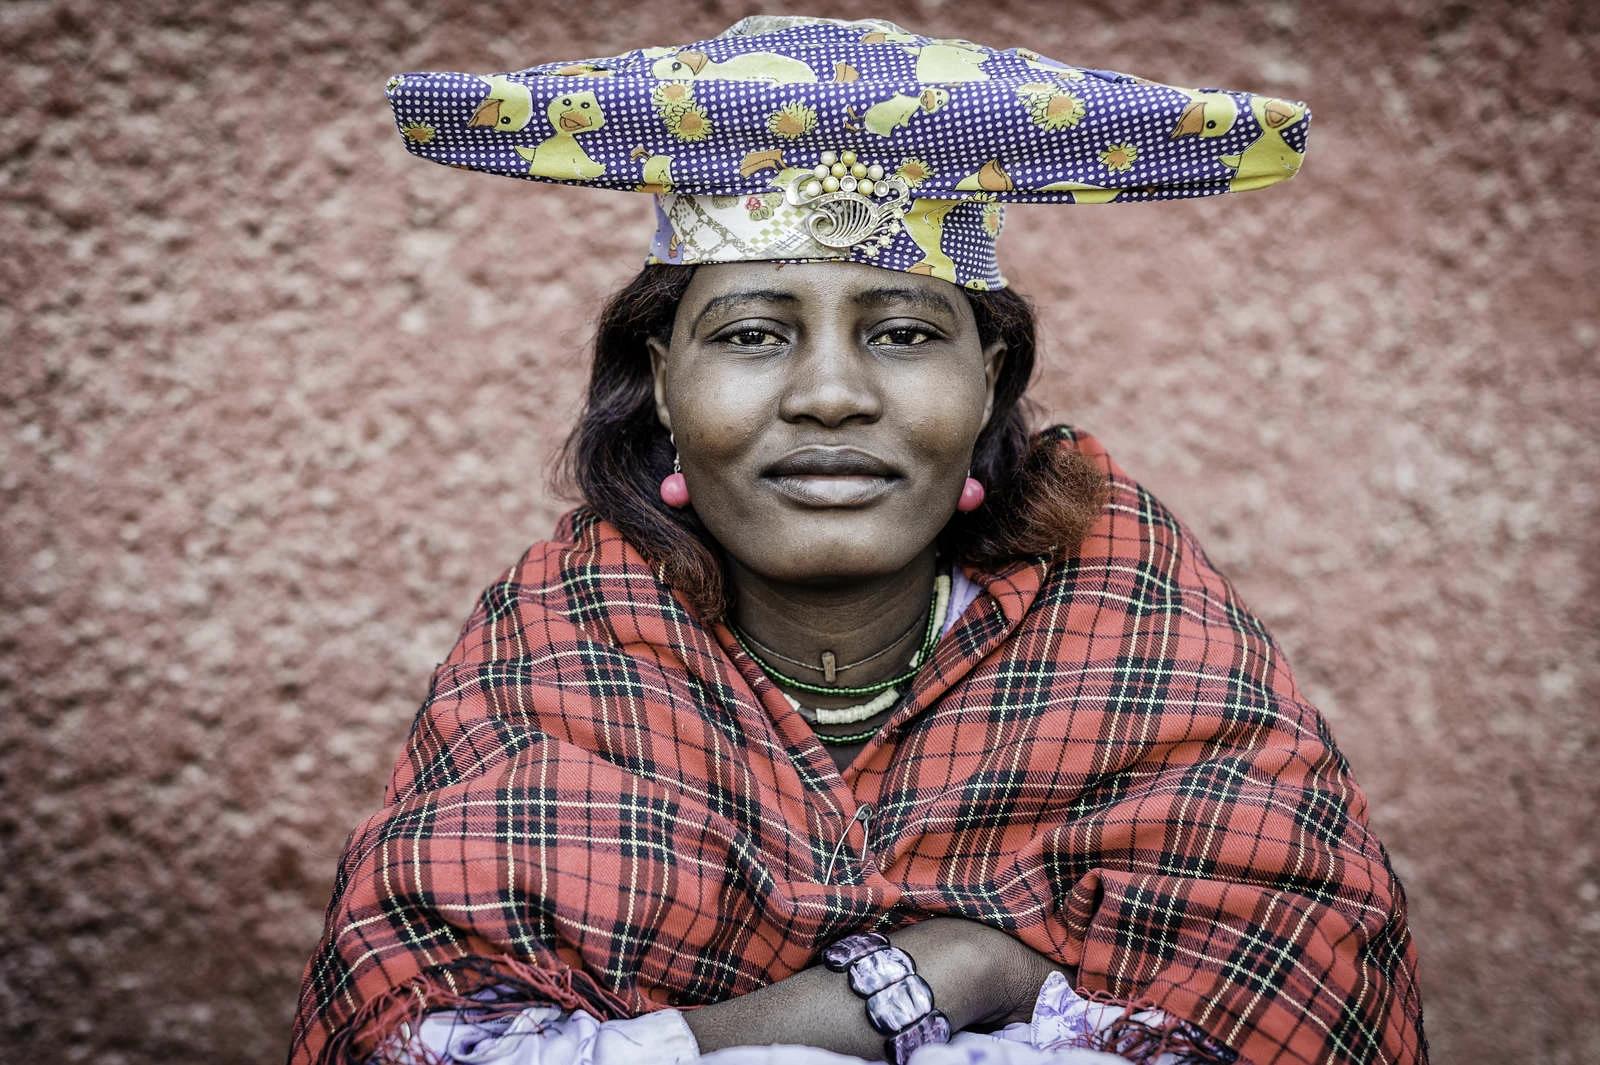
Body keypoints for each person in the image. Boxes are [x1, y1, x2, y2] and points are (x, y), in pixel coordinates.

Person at [289, 15, 1425, 1065]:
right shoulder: (558, 655)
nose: (830, 394)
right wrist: (947, 975)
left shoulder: (1150, 651)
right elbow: (423, 1037)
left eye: (902, 333)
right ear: (664, 384)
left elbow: (1284, 1013)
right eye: (751, 334)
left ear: (988, 384)